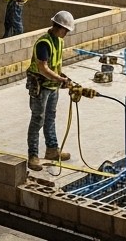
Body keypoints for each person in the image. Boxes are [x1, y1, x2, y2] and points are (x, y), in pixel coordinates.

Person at [26, 11, 76, 170]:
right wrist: (60, 79)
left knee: (50, 118)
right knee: (37, 120)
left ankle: (52, 150)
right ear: (58, 27)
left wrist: (62, 77)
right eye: (65, 30)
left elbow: (55, 65)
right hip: (41, 86)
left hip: (53, 86)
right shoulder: (43, 43)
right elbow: (43, 68)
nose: (66, 34)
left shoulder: (59, 41)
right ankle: (33, 155)